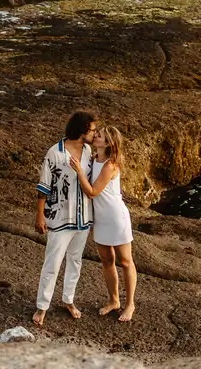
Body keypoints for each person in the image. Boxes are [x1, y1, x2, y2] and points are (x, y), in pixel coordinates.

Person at [32, 110, 96, 326]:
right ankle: (42, 306)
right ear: (82, 130)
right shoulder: (55, 153)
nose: (95, 134)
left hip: (83, 218)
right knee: (52, 263)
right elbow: (44, 187)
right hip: (59, 218)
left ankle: (68, 300)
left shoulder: (89, 151)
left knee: (75, 261)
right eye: (93, 130)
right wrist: (40, 216)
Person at [70, 125, 136, 322]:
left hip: (116, 218)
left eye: (99, 136)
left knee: (125, 261)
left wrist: (79, 171)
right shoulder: (92, 159)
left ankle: (130, 304)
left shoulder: (110, 165)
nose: (95, 136)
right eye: (96, 133)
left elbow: (92, 192)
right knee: (107, 261)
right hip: (100, 219)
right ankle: (114, 300)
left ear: (108, 143)